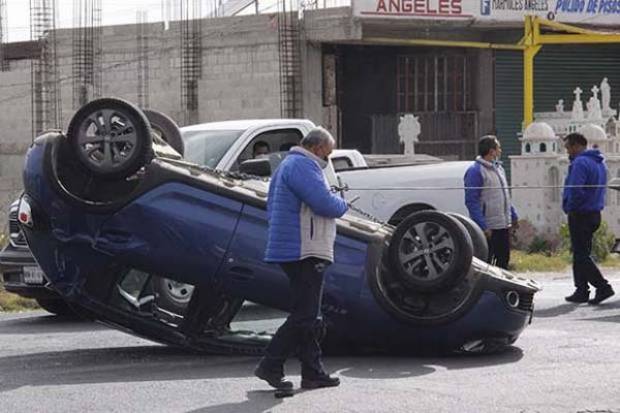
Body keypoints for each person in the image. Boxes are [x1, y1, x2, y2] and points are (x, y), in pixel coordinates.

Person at [254, 127, 348, 390]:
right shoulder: (304, 166)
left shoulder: (289, 164)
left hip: (293, 247)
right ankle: (270, 364)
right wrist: (343, 203)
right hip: (304, 248)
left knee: (309, 314)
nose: (328, 158)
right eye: (328, 153)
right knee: (305, 315)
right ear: (317, 148)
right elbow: (325, 204)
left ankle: (312, 372)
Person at [563, 132, 614, 305]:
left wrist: (571, 206)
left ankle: (602, 286)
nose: (567, 151)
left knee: (581, 255)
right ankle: (581, 289)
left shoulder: (580, 162)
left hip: (581, 213)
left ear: (577, 146)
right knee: (580, 253)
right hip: (594, 213)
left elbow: (576, 190)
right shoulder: (599, 163)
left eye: (568, 147)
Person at [464, 135, 518, 269]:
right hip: (489, 228)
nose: (500, 151)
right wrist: (483, 226)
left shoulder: (499, 169)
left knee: (503, 261)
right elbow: (472, 201)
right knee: (486, 264)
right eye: (498, 148)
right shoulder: (475, 171)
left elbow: (504, 196)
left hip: (503, 225)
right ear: (491, 151)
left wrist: (513, 216)